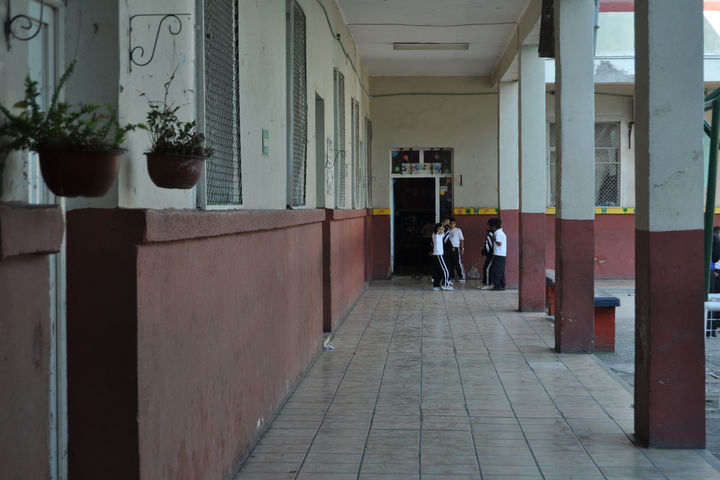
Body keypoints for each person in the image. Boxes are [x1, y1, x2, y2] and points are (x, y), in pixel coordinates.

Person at [430, 223, 453, 291]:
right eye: (439, 229)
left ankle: (436, 286)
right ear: (436, 230)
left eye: (442, 229)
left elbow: (446, 233)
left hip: (437, 255)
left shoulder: (441, 235)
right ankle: (445, 285)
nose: (441, 230)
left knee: (437, 271)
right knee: (445, 270)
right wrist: (443, 226)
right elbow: (437, 231)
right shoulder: (435, 235)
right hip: (439, 255)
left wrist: (446, 227)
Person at [488, 218, 506, 291]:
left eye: (490, 226)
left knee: (496, 271)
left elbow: (499, 243)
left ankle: (497, 286)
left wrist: (493, 238)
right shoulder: (501, 232)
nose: (490, 228)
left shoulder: (497, 233)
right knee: (500, 270)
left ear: (494, 227)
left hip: (498, 254)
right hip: (502, 254)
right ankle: (501, 285)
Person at [445, 217, 465, 282]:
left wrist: (462, 249)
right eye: (450, 223)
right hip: (448, 249)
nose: (451, 225)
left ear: (455, 224)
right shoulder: (446, 230)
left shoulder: (458, 230)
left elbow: (462, 239)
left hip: (456, 248)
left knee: (457, 262)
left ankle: (461, 276)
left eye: (453, 223)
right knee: (450, 263)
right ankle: (451, 276)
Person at [478, 225, 495, 290]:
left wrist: (485, 251)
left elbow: (488, 244)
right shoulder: (492, 234)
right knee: (485, 267)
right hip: (490, 253)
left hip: (491, 253)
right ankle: (484, 282)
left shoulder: (490, 234)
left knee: (487, 268)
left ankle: (488, 284)